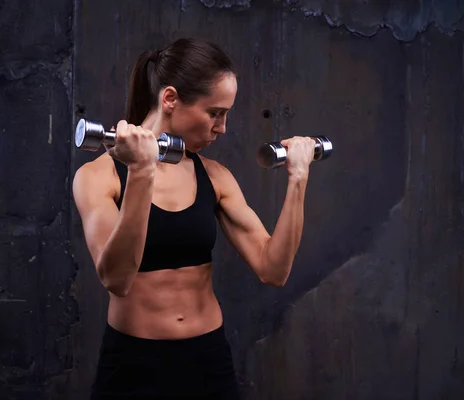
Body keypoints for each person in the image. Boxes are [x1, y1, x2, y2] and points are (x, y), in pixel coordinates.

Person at [72, 37, 317, 399]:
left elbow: (273, 269)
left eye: (226, 115)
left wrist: (298, 179)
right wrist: (141, 171)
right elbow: (118, 278)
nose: (222, 128)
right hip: (134, 365)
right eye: (215, 113)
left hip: (206, 362)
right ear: (170, 99)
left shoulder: (214, 177)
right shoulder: (98, 177)